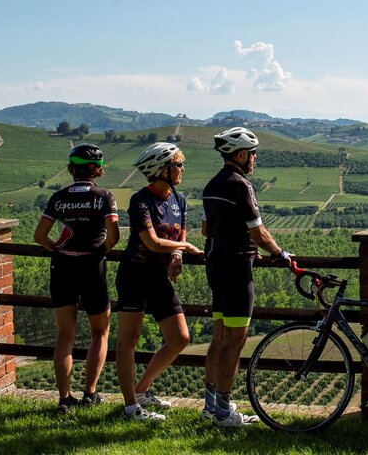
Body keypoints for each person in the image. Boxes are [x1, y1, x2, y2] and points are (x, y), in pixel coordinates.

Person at [201, 127, 292, 427]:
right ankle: (225, 413)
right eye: (252, 154)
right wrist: (280, 254)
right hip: (238, 270)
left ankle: (211, 404)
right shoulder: (241, 186)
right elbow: (258, 231)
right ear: (240, 155)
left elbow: (205, 230)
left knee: (219, 337)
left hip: (214, 265)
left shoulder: (211, 185)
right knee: (235, 341)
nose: (254, 159)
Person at [115, 142, 203, 422]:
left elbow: (177, 237)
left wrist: (177, 252)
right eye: (177, 165)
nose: (182, 169)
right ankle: (130, 407)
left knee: (179, 338)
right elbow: (151, 242)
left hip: (158, 277)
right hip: (134, 275)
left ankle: (141, 390)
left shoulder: (179, 200)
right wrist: (185, 248)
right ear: (161, 170)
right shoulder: (140, 200)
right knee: (128, 340)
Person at [32, 143, 119, 415]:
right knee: (99, 332)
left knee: (65, 335)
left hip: (62, 266)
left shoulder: (58, 197)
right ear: (95, 168)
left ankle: (63, 399)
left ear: (72, 168)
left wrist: (58, 249)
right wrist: (97, 251)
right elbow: (114, 236)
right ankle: (90, 393)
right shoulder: (105, 196)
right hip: (92, 266)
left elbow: (39, 236)